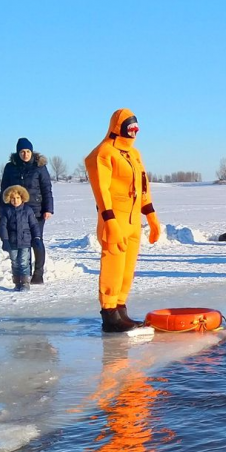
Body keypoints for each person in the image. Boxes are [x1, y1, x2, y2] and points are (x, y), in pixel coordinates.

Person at [85, 109, 162, 333]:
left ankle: (121, 309)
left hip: (133, 220)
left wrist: (152, 216)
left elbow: (143, 186)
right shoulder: (104, 153)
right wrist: (108, 220)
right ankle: (110, 313)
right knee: (113, 266)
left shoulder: (135, 155)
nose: (134, 132)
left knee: (127, 269)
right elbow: (101, 190)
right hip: (115, 218)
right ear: (118, 127)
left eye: (136, 128)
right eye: (130, 127)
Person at [0, 138, 53, 284]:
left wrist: (48, 209)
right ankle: (24, 274)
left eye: (28, 151)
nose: (25, 154)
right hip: (16, 210)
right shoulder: (11, 167)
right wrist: (1, 209)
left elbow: (46, 189)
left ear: (32, 152)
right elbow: (4, 189)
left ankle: (38, 273)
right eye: (22, 152)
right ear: (18, 153)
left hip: (36, 211)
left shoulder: (39, 167)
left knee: (36, 240)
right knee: (22, 242)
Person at [0, 185, 42, 291]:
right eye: (13, 198)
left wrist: (36, 237)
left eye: (18, 198)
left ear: (22, 198)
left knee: (23, 262)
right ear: (9, 199)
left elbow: (34, 225)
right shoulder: (6, 211)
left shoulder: (28, 210)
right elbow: (2, 226)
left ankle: (25, 283)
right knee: (15, 262)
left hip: (25, 241)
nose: (15, 200)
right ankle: (17, 283)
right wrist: (5, 240)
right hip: (12, 241)